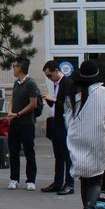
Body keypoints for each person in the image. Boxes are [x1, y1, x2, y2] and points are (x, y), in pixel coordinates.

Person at [65, 60, 105, 209]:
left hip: (76, 137)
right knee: (96, 178)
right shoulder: (104, 92)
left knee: (84, 178)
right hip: (95, 137)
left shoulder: (74, 93)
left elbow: (67, 116)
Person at [41, 60, 75, 195]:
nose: (49, 79)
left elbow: (68, 105)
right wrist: (49, 100)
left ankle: (69, 184)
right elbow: (55, 105)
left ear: (56, 71)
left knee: (66, 155)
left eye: (50, 76)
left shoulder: (67, 83)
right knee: (58, 155)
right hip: (56, 122)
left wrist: (54, 100)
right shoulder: (57, 84)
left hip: (64, 124)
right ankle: (58, 182)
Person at [6, 57, 39, 190]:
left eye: (15, 66)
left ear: (21, 68)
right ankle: (14, 178)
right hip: (14, 122)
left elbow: (33, 104)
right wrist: (10, 112)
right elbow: (12, 99)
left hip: (26, 123)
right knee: (13, 151)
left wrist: (18, 114)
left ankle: (31, 180)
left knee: (28, 151)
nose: (13, 68)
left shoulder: (31, 83)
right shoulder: (16, 83)